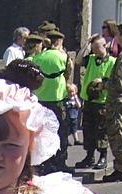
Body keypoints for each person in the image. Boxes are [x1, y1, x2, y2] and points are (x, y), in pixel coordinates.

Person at [74, 35, 115, 171]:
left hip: (102, 101)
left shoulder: (112, 62)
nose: (95, 51)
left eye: (97, 47)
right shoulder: (91, 59)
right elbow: (78, 61)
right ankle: (89, 156)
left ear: (104, 46)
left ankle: (102, 156)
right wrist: (86, 44)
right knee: (88, 128)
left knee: (101, 130)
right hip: (89, 100)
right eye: (93, 48)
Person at [34, 28, 72, 171]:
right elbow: (68, 75)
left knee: (44, 133)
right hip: (58, 100)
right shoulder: (64, 57)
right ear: (59, 41)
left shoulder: (39, 57)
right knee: (61, 131)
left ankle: (45, 162)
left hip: (41, 100)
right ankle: (60, 162)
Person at [102, 19, 122, 182]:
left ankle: (120, 168)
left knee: (116, 133)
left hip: (119, 98)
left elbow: (120, 82)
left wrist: (103, 83)